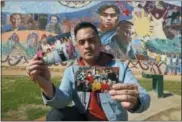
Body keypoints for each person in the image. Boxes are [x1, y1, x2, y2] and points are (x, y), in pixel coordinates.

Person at [26, 22, 150, 121]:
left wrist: (136, 102)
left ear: (100, 43)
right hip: (83, 118)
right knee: (55, 115)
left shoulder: (120, 67)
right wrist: (46, 85)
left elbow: (143, 96)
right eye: (82, 42)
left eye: (92, 40)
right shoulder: (72, 71)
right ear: (77, 47)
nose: (87, 46)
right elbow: (62, 101)